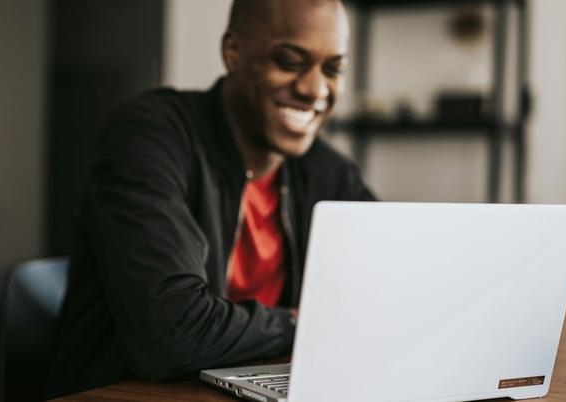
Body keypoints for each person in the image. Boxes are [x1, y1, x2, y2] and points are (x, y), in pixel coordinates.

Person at [46, 0, 375, 397]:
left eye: (333, 68)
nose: (314, 89)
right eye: (289, 61)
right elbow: (173, 334)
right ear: (233, 52)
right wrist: (300, 322)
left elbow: (386, 293)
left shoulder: (327, 171)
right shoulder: (149, 137)